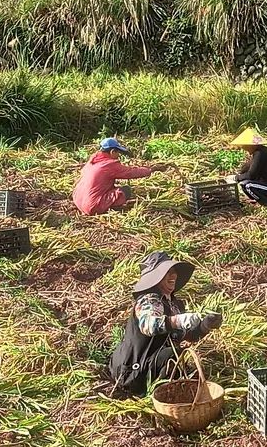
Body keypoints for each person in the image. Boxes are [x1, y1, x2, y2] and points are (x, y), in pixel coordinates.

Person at [108, 252, 222, 397]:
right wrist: (178, 321)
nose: (173, 276)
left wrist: (204, 326)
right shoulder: (149, 301)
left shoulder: (174, 304)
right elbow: (148, 325)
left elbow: (183, 336)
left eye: (173, 272)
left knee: (177, 353)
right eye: (167, 272)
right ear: (156, 277)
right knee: (173, 356)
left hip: (150, 363)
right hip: (132, 370)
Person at [73, 138, 168, 216]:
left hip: (78, 200)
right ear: (112, 151)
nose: (118, 156)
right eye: (118, 153)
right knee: (125, 191)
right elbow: (130, 172)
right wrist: (151, 170)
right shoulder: (108, 164)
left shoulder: (92, 161)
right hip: (91, 207)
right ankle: (111, 208)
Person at [224, 129, 267, 206]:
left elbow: (251, 175)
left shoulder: (260, 153)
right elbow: (247, 169)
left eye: (244, 145)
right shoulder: (259, 153)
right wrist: (238, 175)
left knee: (247, 185)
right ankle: (264, 201)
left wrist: (236, 178)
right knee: (245, 183)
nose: (243, 147)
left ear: (252, 145)